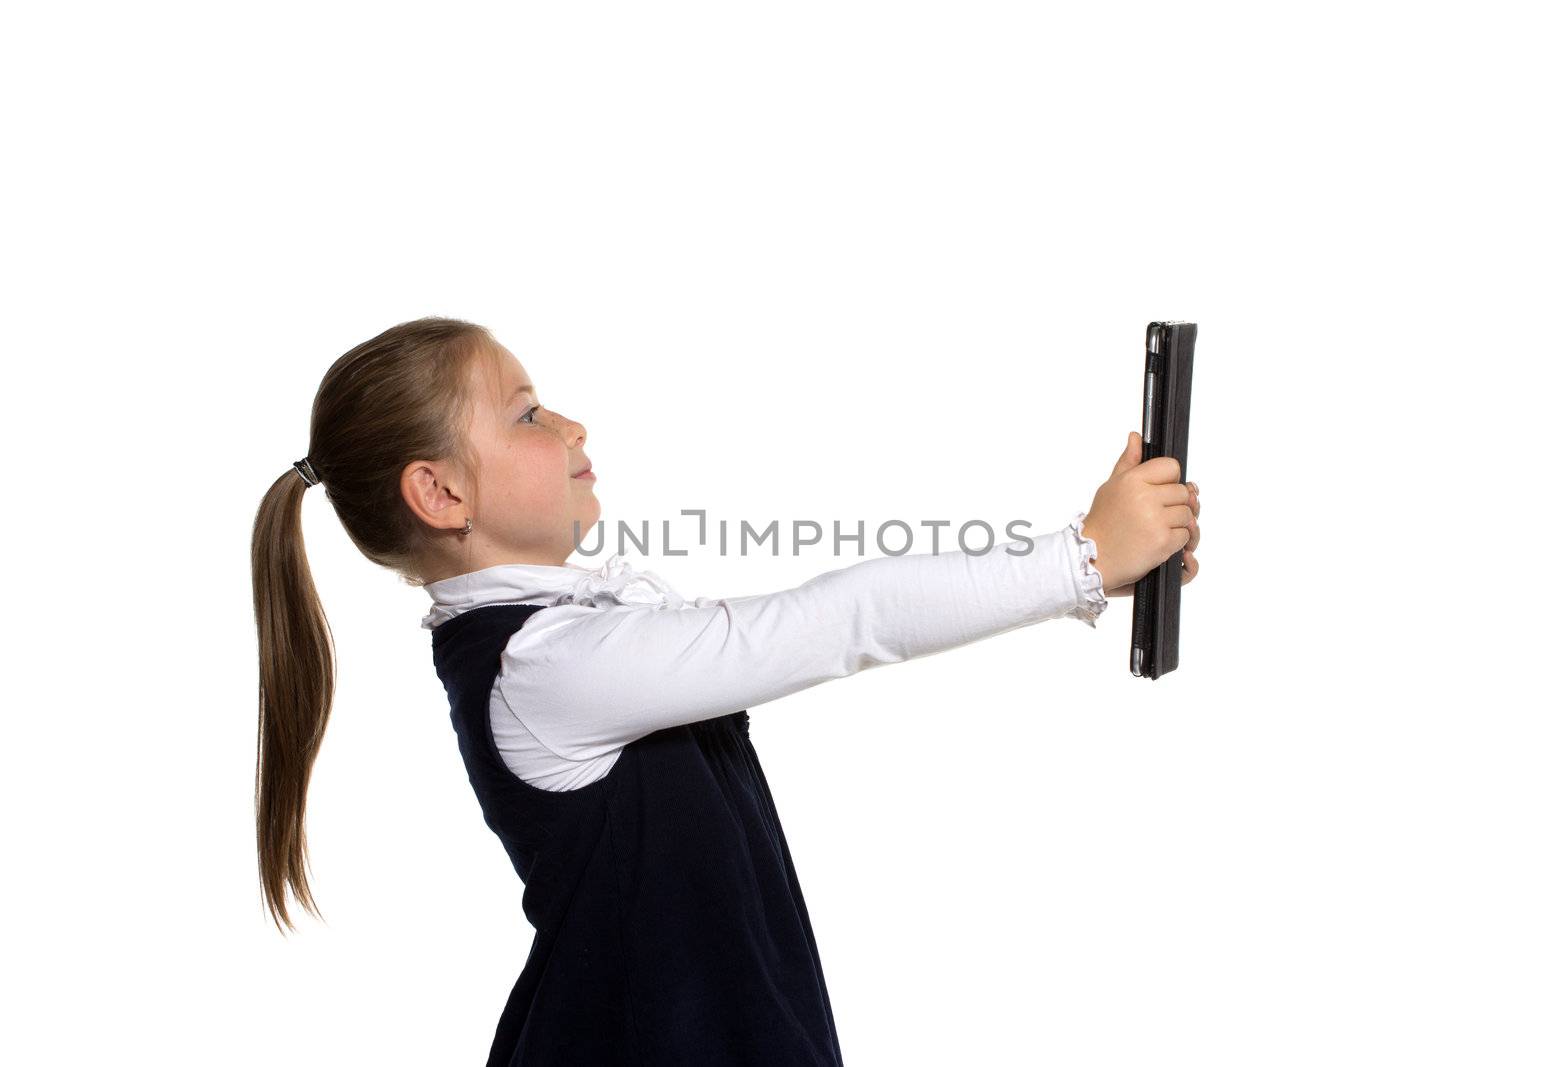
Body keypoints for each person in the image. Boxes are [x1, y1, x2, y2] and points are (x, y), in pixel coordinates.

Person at [250, 315, 1202, 1065]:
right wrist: (1075, 558)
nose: (573, 426)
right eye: (527, 414)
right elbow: (839, 620)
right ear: (442, 494)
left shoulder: (570, 638)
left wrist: (1100, 566)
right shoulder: (546, 666)